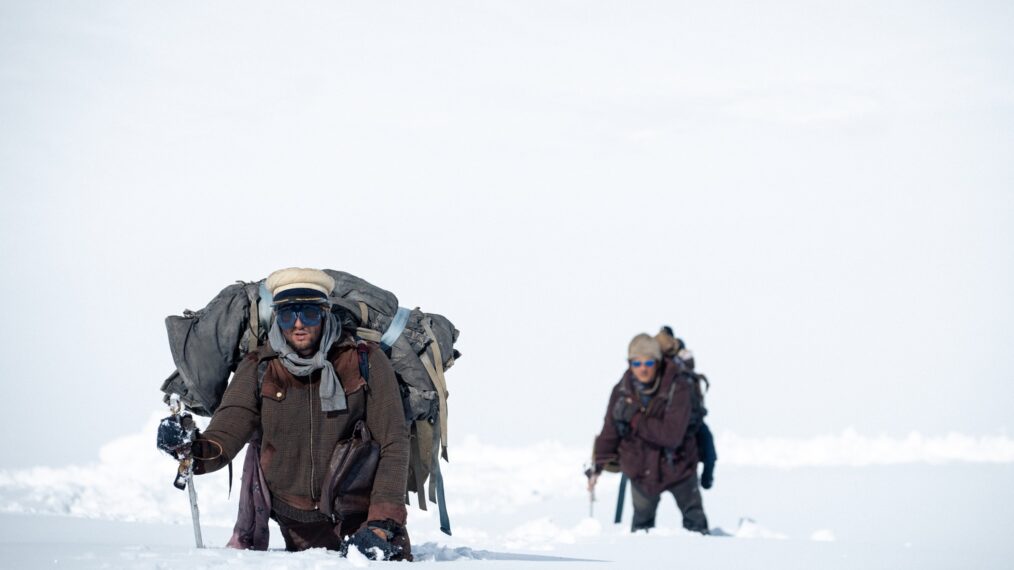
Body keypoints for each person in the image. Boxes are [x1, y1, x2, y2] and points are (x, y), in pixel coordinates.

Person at [157, 268, 412, 559]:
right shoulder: (259, 366)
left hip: (364, 519)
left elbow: (394, 442)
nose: (299, 324)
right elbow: (226, 432)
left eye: (310, 314)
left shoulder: (365, 359)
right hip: (298, 526)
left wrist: (381, 524)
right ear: (278, 316)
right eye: (289, 314)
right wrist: (189, 448)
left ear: (325, 313)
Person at [588, 333, 708, 534]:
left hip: (679, 467)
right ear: (629, 364)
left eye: (649, 362)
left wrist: (634, 418)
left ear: (658, 362)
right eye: (636, 363)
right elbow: (610, 431)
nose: (642, 369)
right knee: (642, 530)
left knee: (696, 525)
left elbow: (671, 435)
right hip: (641, 470)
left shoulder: (678, 387)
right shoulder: (621, 391)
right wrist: (597, 467)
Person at [656, 326, 717, 490]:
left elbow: (690, 362)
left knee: (708, 450)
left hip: (692, 420)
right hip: (667, 421)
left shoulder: (682, 356)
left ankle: (706, 478)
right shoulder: (656, 362)